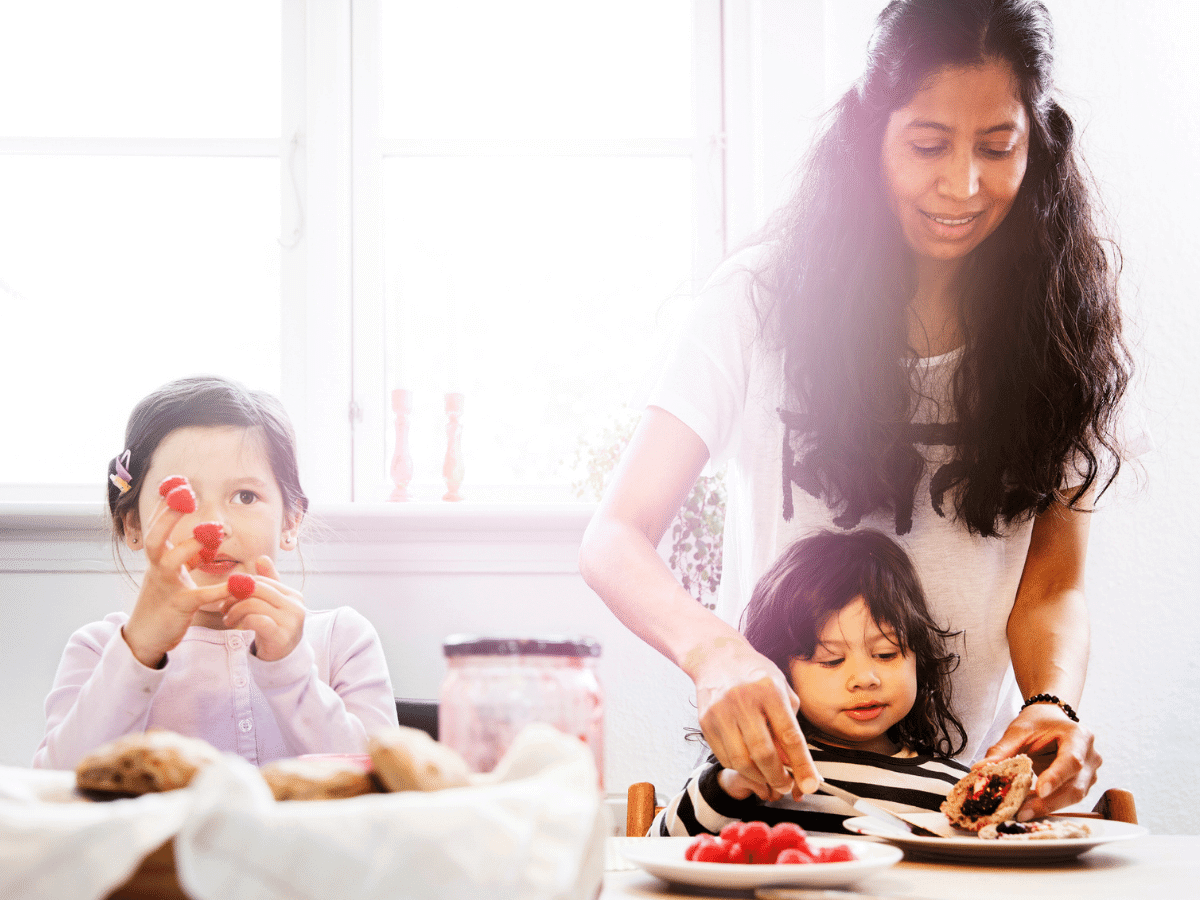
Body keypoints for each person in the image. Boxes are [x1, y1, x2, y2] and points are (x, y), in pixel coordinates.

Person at [579, 0, 1137, 820]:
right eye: (926, 144)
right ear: (868, 135)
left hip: (947, 795)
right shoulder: (760, 302)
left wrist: (1054, 703)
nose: (963, 184)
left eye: (998, 146)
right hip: (785, 794)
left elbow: (1053, 585)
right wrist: (713, 654)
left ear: (1038, 142)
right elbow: (614, 537)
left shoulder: (1064, 330)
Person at [33, 376, 399, 769]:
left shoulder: (342, 641)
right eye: (180, 498)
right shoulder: (99, 649)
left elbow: (384, 786)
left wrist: (288, 667)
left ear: (291, 521)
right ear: (132, 525)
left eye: (245, 496)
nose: (213, 526)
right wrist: (139, 650)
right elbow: (57, 785)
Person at [655, 530, 969, 836]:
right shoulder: (763, 763)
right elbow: (661, 843)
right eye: (832, 660)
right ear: (780, 671)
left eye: (886, 654)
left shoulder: (950, 786)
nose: (865, 679)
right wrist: (730, 785)